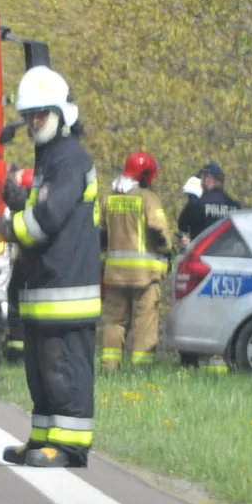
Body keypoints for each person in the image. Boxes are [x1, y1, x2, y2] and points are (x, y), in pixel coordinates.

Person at [0, 65, 101, 469]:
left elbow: (48, 218)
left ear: (62, 115)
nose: (34, 122)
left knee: (65, 370)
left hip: (67, 289)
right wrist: (13, 197)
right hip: (45, 289)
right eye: (30, 115)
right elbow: (37, 207)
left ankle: (70, 445)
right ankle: (43, 438)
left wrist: (5, 227)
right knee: (42, 373)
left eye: (42, 113)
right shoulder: (50, 159)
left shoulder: (71, 158)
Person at [99, 151, 172, 370]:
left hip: (114, 275)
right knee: (144, 323)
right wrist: (168, 248)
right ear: (145, 174)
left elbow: (100, 235)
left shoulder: (108, 199)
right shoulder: (148, 199)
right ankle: (140, 369)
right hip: (144, 276)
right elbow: (158, 230)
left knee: (114, 321)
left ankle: (109, 366)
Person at [1, 166, 34, 362]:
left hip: (24, 262)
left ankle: (16, 352)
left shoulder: (24, 205)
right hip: (37, 263)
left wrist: (9, 180)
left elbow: (11, 198)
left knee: (15, 304)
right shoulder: (43, 205)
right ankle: (20, 350)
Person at [177, 161, 242, 247]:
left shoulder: (197, 204)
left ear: (209, 178)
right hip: (228, 257)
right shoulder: (235, 207)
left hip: (202, 257)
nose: (201, 183)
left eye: (202, 178)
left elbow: (182, 226)